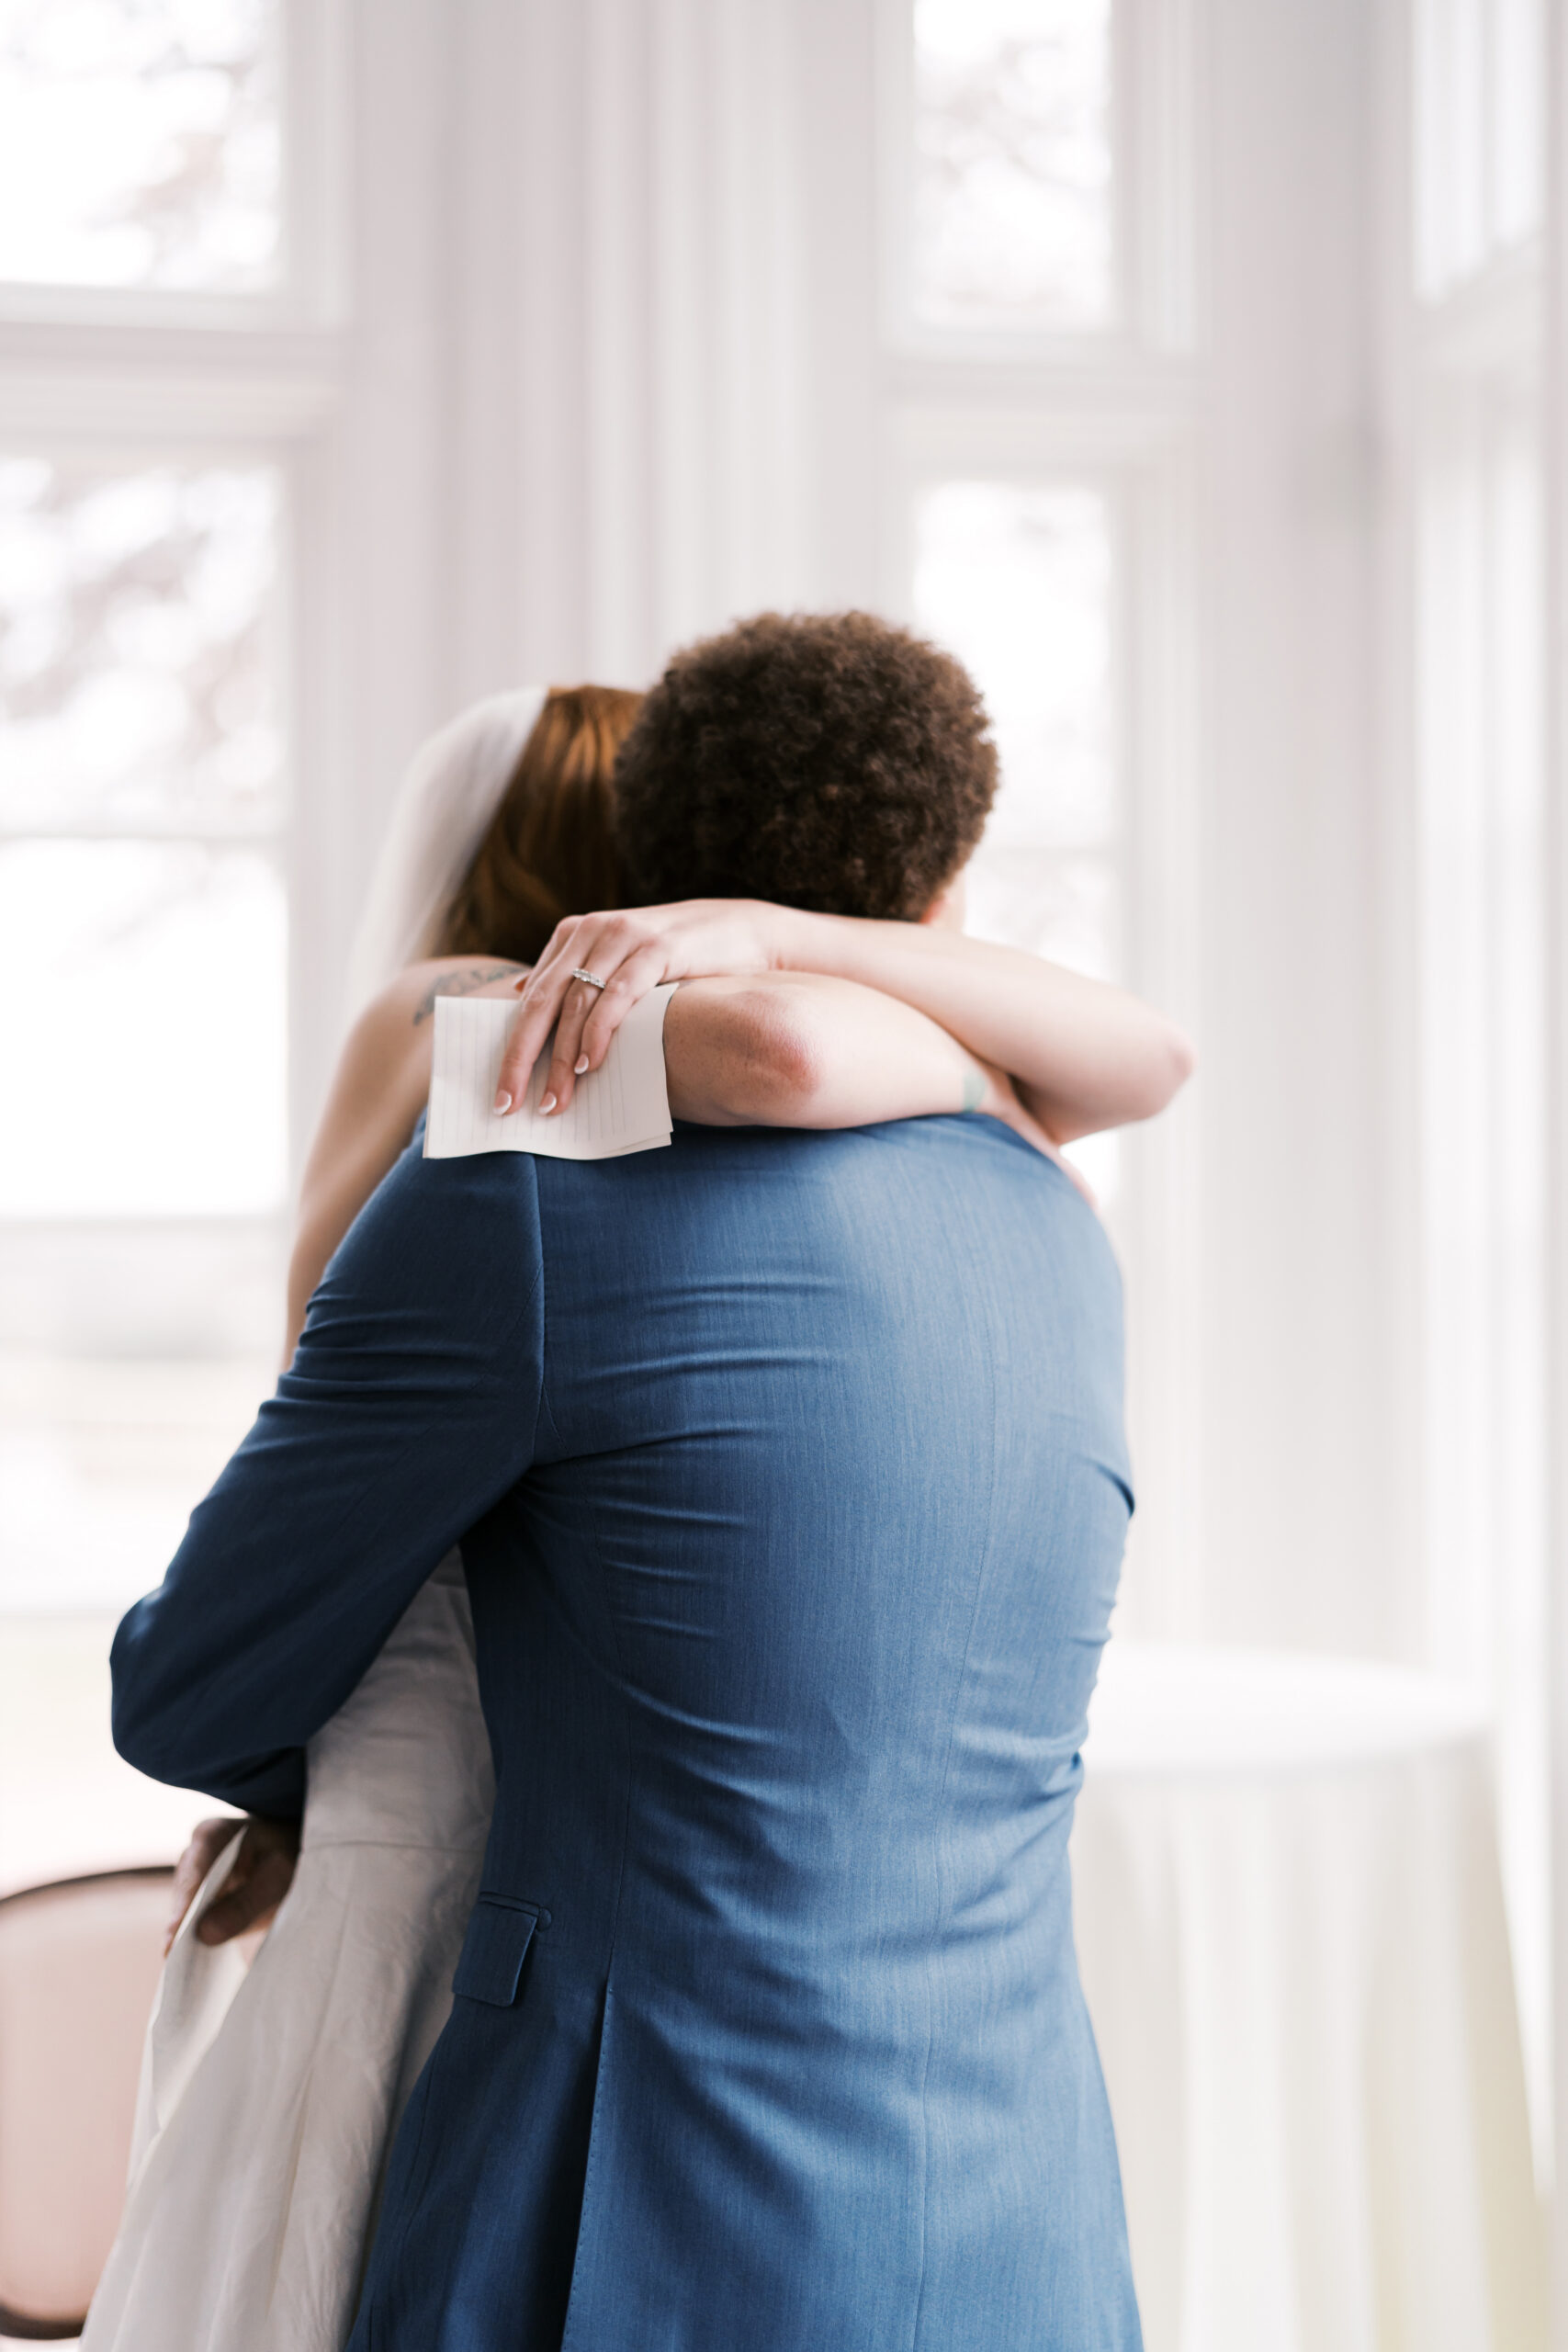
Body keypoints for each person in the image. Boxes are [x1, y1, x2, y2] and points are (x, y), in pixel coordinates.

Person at [106, 613, 1190, 2349]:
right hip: (1023, 2215)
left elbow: (192, 1685)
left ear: (648, 881)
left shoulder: (525, 1182)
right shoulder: (1056, 1217)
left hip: (631, 2206)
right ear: (951, 885)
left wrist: (324, 1791)